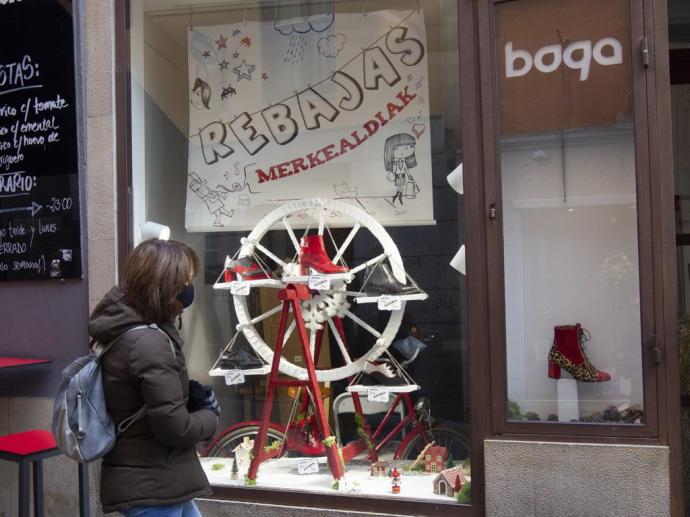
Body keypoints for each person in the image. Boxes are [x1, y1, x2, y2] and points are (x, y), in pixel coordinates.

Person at [88, 239, 219, 516]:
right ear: (164, 287)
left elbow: (142, 395)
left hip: (163, 478)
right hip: (152, 486)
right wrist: (209, 416)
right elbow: (175, 428)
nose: (188, 292)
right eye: (184, 283)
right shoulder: (148, 342)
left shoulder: (133, 331)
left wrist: (188, 392)